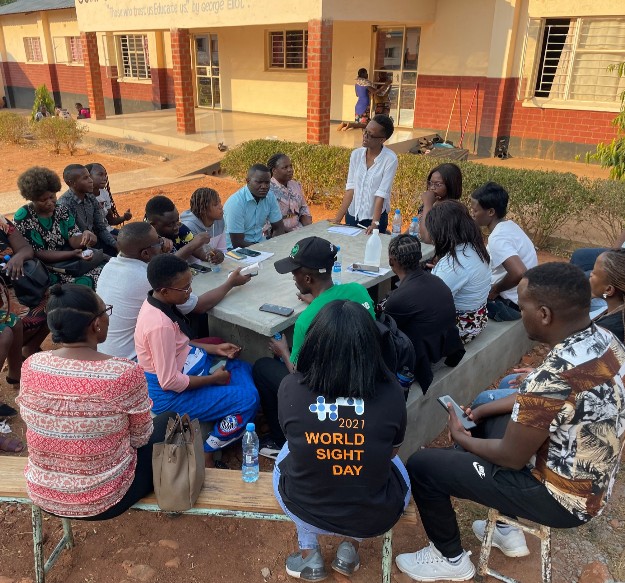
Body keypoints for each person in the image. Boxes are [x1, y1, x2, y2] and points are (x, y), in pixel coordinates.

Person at [395, 263, 625, 581]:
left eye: (522, 303)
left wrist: (462, 439)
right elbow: (559, 399)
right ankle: (505, 527)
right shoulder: (606, 340)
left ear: (544, 314)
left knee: (422, 465)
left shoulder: (551, 377)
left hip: (561, 499)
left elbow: (511, 456)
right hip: (590, 479)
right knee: (488, 416)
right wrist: (482, 413)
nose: (518, 308)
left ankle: (448, 557)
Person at [274, 300, 411, 581]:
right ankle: (349, 550)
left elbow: (297, 443)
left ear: (314, 345)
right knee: (389, 461)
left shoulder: (290, 389)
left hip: (305, 506)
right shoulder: (392, 393)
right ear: (371, 347)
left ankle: (309, 553)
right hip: (373, 516)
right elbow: (391, 452)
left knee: (290, 453)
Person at [17, 283, 175, 519]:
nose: (107, 318)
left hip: (44, 494)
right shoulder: (123, 373)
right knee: (168, 421)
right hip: (104, 501)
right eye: (106, 311)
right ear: (96, 324)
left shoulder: (32, 365)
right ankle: (176, 495)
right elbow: (141, 438)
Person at [252, 236, 375, 459]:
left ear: (307, 278)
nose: (292, 275)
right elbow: (343, 310)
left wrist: (284, 352)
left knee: (262, 367)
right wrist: (317, 302)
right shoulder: (358, 291)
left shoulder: (306, 321)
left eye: (294, 271)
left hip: (326, 391)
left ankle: (280, 440)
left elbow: (297, 373)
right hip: (361, 373)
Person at [134, 254, 259, 467]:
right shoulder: (159, 325)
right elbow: (170, 382)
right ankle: (209, 449)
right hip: (171, 395)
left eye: (190, 284)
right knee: (248, 399)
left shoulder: (160, 302)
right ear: (164, 290)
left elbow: (180, 344)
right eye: (185, 288)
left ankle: (228, 412)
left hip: (191, 367)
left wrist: (213, 348)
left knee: (242, 366)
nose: (190, 291)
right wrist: (214, 380)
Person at [96, 222, 251, 360]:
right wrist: (231, 283)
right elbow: (199, 306)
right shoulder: (144, 278)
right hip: (134, 360)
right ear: (145, 254)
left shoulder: (111, 266)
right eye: (159, 242)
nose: (164, 244)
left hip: (111, 354)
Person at [381, 234, 464, 392]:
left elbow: (387, 334)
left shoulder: (399, 298)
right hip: (442, 348)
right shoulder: (437, 281)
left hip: (421, 358)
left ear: (392, 260)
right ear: (419, 257)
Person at [14, 167, 103, 289]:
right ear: (31, 198)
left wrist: (85, 236)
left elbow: (74, 239)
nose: (50, 202)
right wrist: (72, 254)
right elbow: (38, 253)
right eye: (43, 200)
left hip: (70, 262)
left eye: (52, 197)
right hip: (46, 269)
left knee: (107, 270)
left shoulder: (61, 209)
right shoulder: (24, 216)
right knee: (86, 282)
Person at [470, 182, 538, 322]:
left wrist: (495, 290)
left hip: (509, 305)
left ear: (490, 212)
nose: (473, 213)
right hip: (525, 298)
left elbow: (519, 272)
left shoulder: (498, 237)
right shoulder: (509, 226)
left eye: (475, 210)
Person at [426, 200, 490, 343]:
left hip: (459, 328)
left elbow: (430, 303)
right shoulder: (474, 248)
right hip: (477, 319)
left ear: (443, 232)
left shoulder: (455, 264)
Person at [333, 114, 397, 234]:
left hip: (376, 219)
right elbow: (350, 189)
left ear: (382, 139)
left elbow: (381, 194)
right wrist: (337, 219)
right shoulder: (356, 155)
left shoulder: (390, 159)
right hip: (353, 216)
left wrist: (375, 224)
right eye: (365, 131)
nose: (365, 136)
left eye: (370, 134)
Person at [0, 214, 49, 360]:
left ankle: (29, 349)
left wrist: (18, 257)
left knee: (54, 302)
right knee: (15, 322)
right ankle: (14, 359)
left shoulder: (1, 222)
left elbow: (25, 248)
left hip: (18, 285)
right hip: (3, 297)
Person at [58, 164, 118, 256]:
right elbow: (74, 240)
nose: (91, 181)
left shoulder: (90, 197)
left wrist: (116, 245)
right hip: (77, 251)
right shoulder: (64, 204)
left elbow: (100, 228)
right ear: (72, 183)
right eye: (85, 178)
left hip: (95, 242)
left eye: (89, 176)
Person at [146, 195, 224, 266]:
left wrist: (213, 256)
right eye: (170, 225)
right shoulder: (147, 242)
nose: (176, 227)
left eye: (177, 220)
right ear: (153, 224)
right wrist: (193, 244)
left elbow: (200, 253)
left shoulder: (181, 229)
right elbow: (167, 267)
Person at [223, 164, 286, 249]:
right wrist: (263, 249)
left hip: (260, 243)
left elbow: (279, 227)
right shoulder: (236, 203)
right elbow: (237, 242)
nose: (264, 186)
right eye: (259, 182)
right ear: (248, 181)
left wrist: (274, 245)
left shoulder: (270, 197)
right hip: (236, 250)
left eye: (267, 182)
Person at [418, 162, 463, 244]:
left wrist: (428, 204)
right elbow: (415, 225)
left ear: (451, 186)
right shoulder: (433, 202)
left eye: (438, 184)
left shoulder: (452, 210)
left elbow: (428, 239)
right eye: (430, 183)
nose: (432, 188)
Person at [267, 153, 312, 233]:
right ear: (274, 171)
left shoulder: (295, 185)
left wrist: (308, 229)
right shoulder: (267, 189)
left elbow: (303, 209)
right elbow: (267, 221)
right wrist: (292, 234)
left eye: (291, 166)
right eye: (285, 167)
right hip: (278, 234)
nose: (290, 169)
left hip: (299, 230)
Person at [589, 248, 625, 341]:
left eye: (594, 272)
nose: (590, 274)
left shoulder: (603, 332)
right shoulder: (616, 308)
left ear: (608, 290)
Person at [86, 163, 132, 235]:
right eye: (100, 174)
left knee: (132, 236)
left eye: (105, 175)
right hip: (95, 235)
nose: (104, 178)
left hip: (108, 230)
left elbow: (110, 221)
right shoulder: (84, 198)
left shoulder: (104, 193)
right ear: (88, 177)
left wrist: (124, 217)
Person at [180, 187, 227, 252]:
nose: (221, 206)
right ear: (203, 209)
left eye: (220, 202)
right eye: (216, 204)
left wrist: (220, 255)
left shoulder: (219, 220)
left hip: (212, 261)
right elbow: (193, 258)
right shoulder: (189, 227)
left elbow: (222, 250)